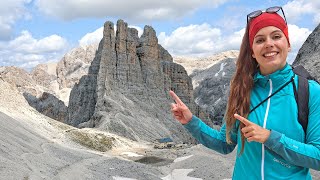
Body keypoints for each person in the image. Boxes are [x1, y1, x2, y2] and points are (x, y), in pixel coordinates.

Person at [170, 6, 320, 180]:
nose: (269, 44)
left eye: (276, 36)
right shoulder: (241, 90)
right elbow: (224, 143)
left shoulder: (310, 91)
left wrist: (270, 138)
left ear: (288, 44)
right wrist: (191, 121)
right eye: (260, 40)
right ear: (253, 52)